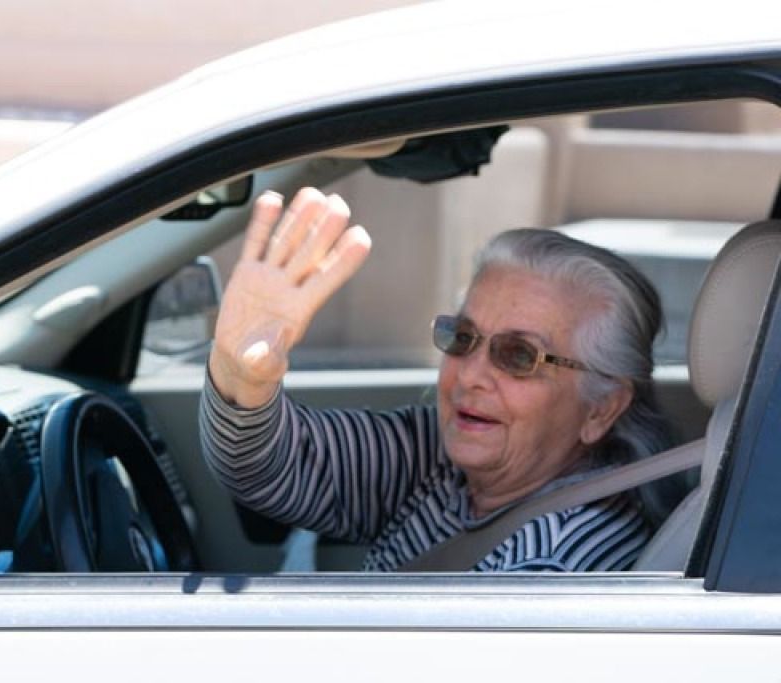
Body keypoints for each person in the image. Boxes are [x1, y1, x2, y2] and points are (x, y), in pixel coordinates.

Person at [200, 187, 671, 571]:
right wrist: (240, 374)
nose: (471, 373)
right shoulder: (442, 455)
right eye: (462, 337)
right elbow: (271, 466)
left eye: (518, 355)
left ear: (600, 409)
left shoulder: (553, 562)